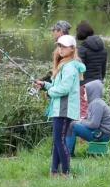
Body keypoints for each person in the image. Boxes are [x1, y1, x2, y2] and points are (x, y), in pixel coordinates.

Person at [35, 35, 85, 176]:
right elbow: (58, 86)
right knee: (58, 140)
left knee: (59, 140)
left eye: (63, 46)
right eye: (59, 46)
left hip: (65, 109)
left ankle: (66, 172)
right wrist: (45, 85)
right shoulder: (64, 65)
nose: (60, 49)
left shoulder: (69, 67)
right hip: (60, 109)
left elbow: (64, 89)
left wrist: (50, 92)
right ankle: (54, 171)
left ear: (72, 49)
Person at [66, 80, 110, 157]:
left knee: (72, 126)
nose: (84, 94)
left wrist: (81, 121)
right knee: (74, 123)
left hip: (100, 135)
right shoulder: (96, 102)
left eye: (86, 91)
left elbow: (94, 124)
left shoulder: (96, 104)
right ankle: (69, 153)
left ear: (92, 91)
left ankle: (67, 154)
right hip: (101, 133)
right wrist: (81, 120)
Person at [76, 21, 107, 85]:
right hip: (98, 82)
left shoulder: (83, 48)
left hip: (85, 83)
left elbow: (79, 69)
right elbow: (103, 69)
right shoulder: (103, 48)